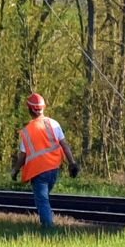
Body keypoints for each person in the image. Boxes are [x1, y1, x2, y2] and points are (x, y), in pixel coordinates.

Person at [12, 92, 78, 229]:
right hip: (54, 169)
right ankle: (48, 222)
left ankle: (48, 229)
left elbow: (22, 156)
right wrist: (72, 163)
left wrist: (15, 171)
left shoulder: (28, 131)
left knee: (42, 201)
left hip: (38, 172)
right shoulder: (53, 124)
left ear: (29, 109)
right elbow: (64, 145)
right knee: (44, 199)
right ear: (43, 108)